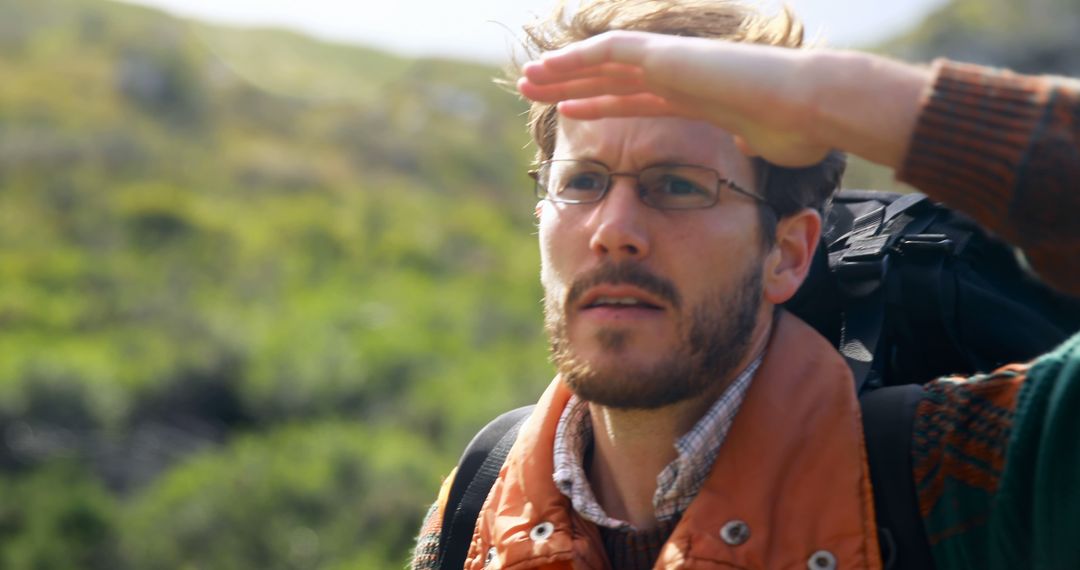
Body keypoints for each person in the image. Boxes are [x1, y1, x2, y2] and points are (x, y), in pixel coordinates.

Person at [411, 1, 1080, 568]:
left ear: (787, 254)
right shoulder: (479, 498)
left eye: (677, 186)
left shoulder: (958, 474)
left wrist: (842, 99)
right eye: (582, 182)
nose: (612, 230)